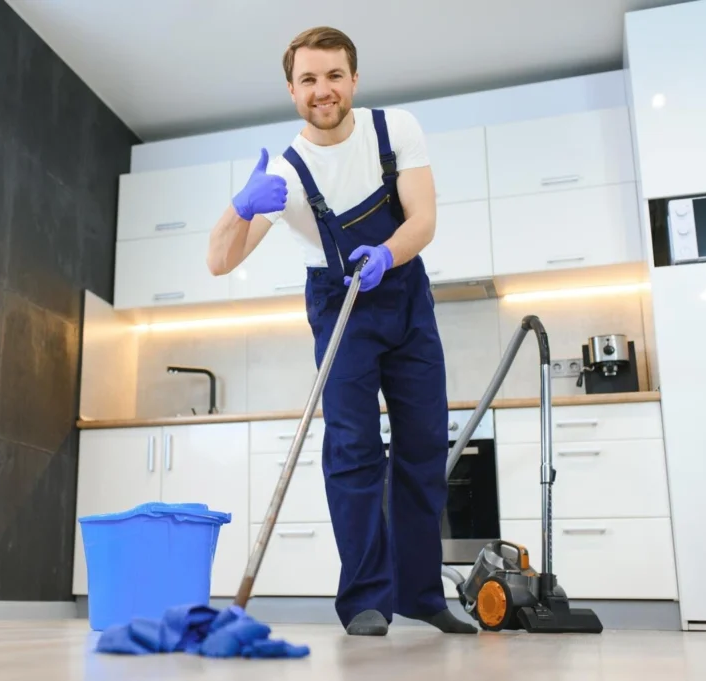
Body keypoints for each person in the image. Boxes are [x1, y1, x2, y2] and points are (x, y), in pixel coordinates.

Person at [205, 26, 476, 637]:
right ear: (291, 90)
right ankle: (363, 600)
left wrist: (385, 253)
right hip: (339, 305)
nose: (322, 90)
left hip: (403, 292)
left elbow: (423, 220)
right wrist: (240, 206)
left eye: (333, 76)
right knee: (353, 449)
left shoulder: (395, 130)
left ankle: (422, 595)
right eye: (308, 79)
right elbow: (219, 261)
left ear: (353, 79)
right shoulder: (285, 171)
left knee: (425, 445)